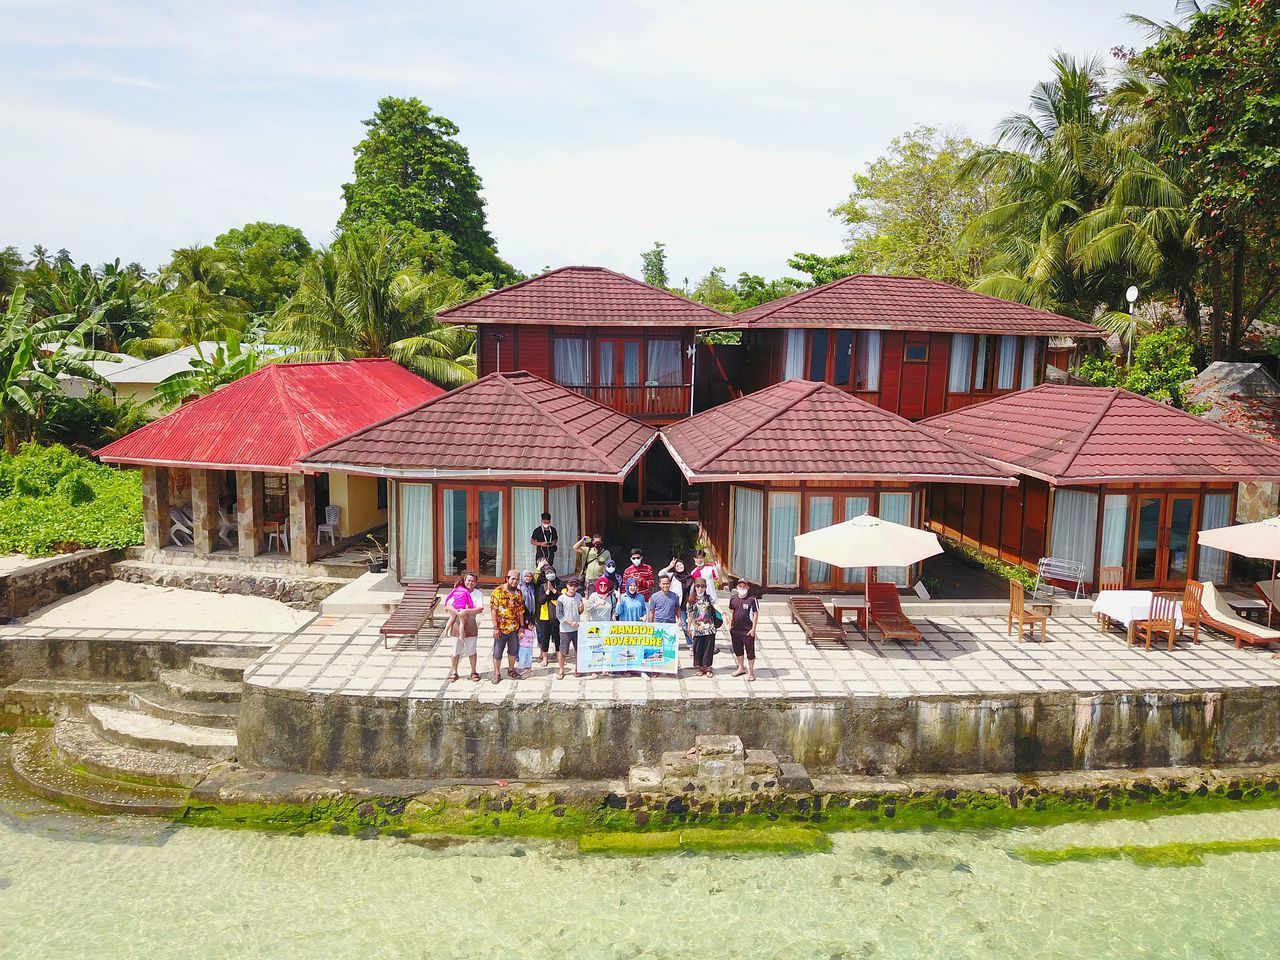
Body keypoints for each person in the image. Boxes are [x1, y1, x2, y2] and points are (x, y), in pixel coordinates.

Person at [444, 572, 483, 683]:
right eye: (468, 580)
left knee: (472, 650)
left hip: (471, 624)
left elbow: (480, 609)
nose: (470, 583)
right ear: (464, 581)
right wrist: (458, 612)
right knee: (455, 650)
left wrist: (466, 611)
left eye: (473, 581)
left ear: (476, 582)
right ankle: (454, 672)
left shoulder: (478, 594)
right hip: (457, 623)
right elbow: (448, 606)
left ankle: (473, 671)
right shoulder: (458, 591)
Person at [489, 569, 526, 684]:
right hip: (501, 629)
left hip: (514, 629)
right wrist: (495, 627)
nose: (515, 582)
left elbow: (521, 611)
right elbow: (493, 611)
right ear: (507, 579)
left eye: (517, 580)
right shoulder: (498, 592)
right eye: (513, 579)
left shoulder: (518, 593)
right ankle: (497, 673)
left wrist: (522, 627)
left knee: (513, 651)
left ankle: (511, 670)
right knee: (497, 651)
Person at [728, 578, 761, 682]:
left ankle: (751, 672)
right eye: (740, 586)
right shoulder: (733, 598)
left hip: (747, 630)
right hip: (735, 629)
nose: (742, 588)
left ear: (747, 587)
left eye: (744, 586)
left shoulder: (752, 599)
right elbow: (731, 612)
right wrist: (730, 625)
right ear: (737, 587)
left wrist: (753, 629)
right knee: (738, 650)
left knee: (750, 652)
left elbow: (755, 614)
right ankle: (741, 667)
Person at [688, 579, 722, 676]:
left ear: (705, 588)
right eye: (698, 587)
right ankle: (700, 667)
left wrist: (723, 613)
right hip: (697, 628)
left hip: (709, 628)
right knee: (698, 648)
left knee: (708, 648)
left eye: (702, 587)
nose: (700, 589)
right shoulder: (691, 600)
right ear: (695, 588)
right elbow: (690, 615)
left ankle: (708, 667)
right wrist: (689, 627)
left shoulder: (708, 598)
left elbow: (715, 605)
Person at [658, 557, 694, 646]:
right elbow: (660, 573)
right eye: (677, 566)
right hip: (670, 603)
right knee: (668, 624)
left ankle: (690, 643)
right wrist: (670, 566)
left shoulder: (690, 578)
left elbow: (691, 592)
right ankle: (666, 643)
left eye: (680, 565)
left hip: (682, 605)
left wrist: (689, 604)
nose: (679, 567)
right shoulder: (673, 575)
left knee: (684, 624)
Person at [533, 560, 563, 666]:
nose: (550, 575)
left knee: (557, 636)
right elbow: (540, 601)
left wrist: (553, 590)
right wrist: (547, 593)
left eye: (551, 572)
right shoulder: (542, 585)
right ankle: (545, 658)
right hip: (545, 614)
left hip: (557, 614)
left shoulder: (561, 583)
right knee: (545, 636)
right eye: (547, 573)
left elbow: (563, 598)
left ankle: (560, 656)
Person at [555, 578, 584, 680]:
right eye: (571, 585)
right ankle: (561, 669)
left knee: (578, 650)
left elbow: (579, 611)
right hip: (565, 629)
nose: (573, 587)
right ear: (567, 586)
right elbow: (559, 615)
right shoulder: (561, 599)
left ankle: (578, 668)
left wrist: (581, 608)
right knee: (563, 651)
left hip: (577, 628)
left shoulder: (579, 596)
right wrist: (570, 623)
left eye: (575, 586)